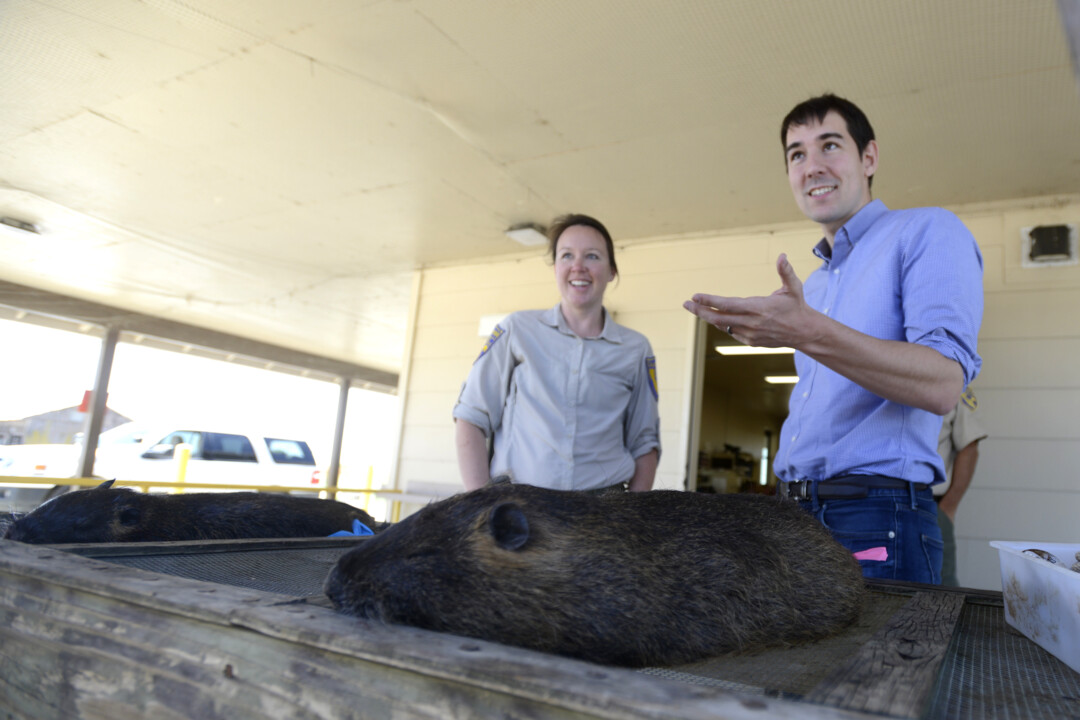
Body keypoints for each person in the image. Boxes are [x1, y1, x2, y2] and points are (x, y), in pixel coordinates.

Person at [683, 94, 983, 583]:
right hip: (792, 515)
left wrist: (806, 331)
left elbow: (943, 383)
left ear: (869, 158)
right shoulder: (816, 284)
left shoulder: (927, 230)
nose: (811, 166)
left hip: (877, 516)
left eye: (829, 145)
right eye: (796, 154)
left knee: (874, 664)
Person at [453, 213, 660, 493]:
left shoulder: (636, 349)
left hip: (605, 515)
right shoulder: (517, 330)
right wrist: (481, 508)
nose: (578, 266)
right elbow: (471, 418)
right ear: (555, 269)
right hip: (520, 511)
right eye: (566, 256)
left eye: (592, 256)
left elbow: (644, 443)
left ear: (612, 270)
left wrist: (633, 522)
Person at [936, 387, 988, 587]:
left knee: (942, 590)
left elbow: (969, 446)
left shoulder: (954, 380)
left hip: (931, 504)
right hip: (873, 499)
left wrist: (949, 506)